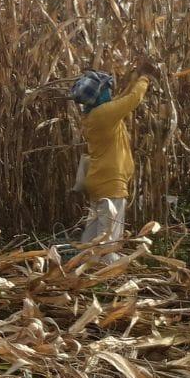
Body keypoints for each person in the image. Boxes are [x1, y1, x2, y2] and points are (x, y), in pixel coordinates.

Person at [67, 62, 155, 258]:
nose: (110, 92)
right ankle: (104, 276)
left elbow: (120, 99)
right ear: (99, 94)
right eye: (107, 89)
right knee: (109, 240)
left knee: (92, 236)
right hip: (111, 184)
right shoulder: (105, 115)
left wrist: (133, 80)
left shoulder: (94, 114)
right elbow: (132, 100)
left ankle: (81, 267)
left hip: (98, 181)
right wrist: (145, 78)